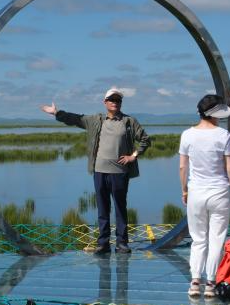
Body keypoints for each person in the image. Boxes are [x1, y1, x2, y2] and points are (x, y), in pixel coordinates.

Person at [41, 88, 151, 254]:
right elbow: (75, 119)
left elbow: (145, 140)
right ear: (105, 102)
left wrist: (133, 156)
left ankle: (122, 243)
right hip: (99, 171)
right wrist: (56, 113)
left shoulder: (129, 121)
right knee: (102, 208)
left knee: (120, 208)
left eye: (118, 100)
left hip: (120, 172)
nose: (115, 102)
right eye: (112, 99)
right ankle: (103, 243)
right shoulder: (95, 120)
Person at [179, 94, 230, 298]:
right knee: (216, 239)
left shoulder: (187, 135)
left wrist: (184, 190)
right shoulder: (223, 135)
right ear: (214, 114)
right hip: (219, 192)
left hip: (196, 192)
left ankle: (195, 281)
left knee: (198, 239)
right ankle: (211, 282)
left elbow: (183, 167)